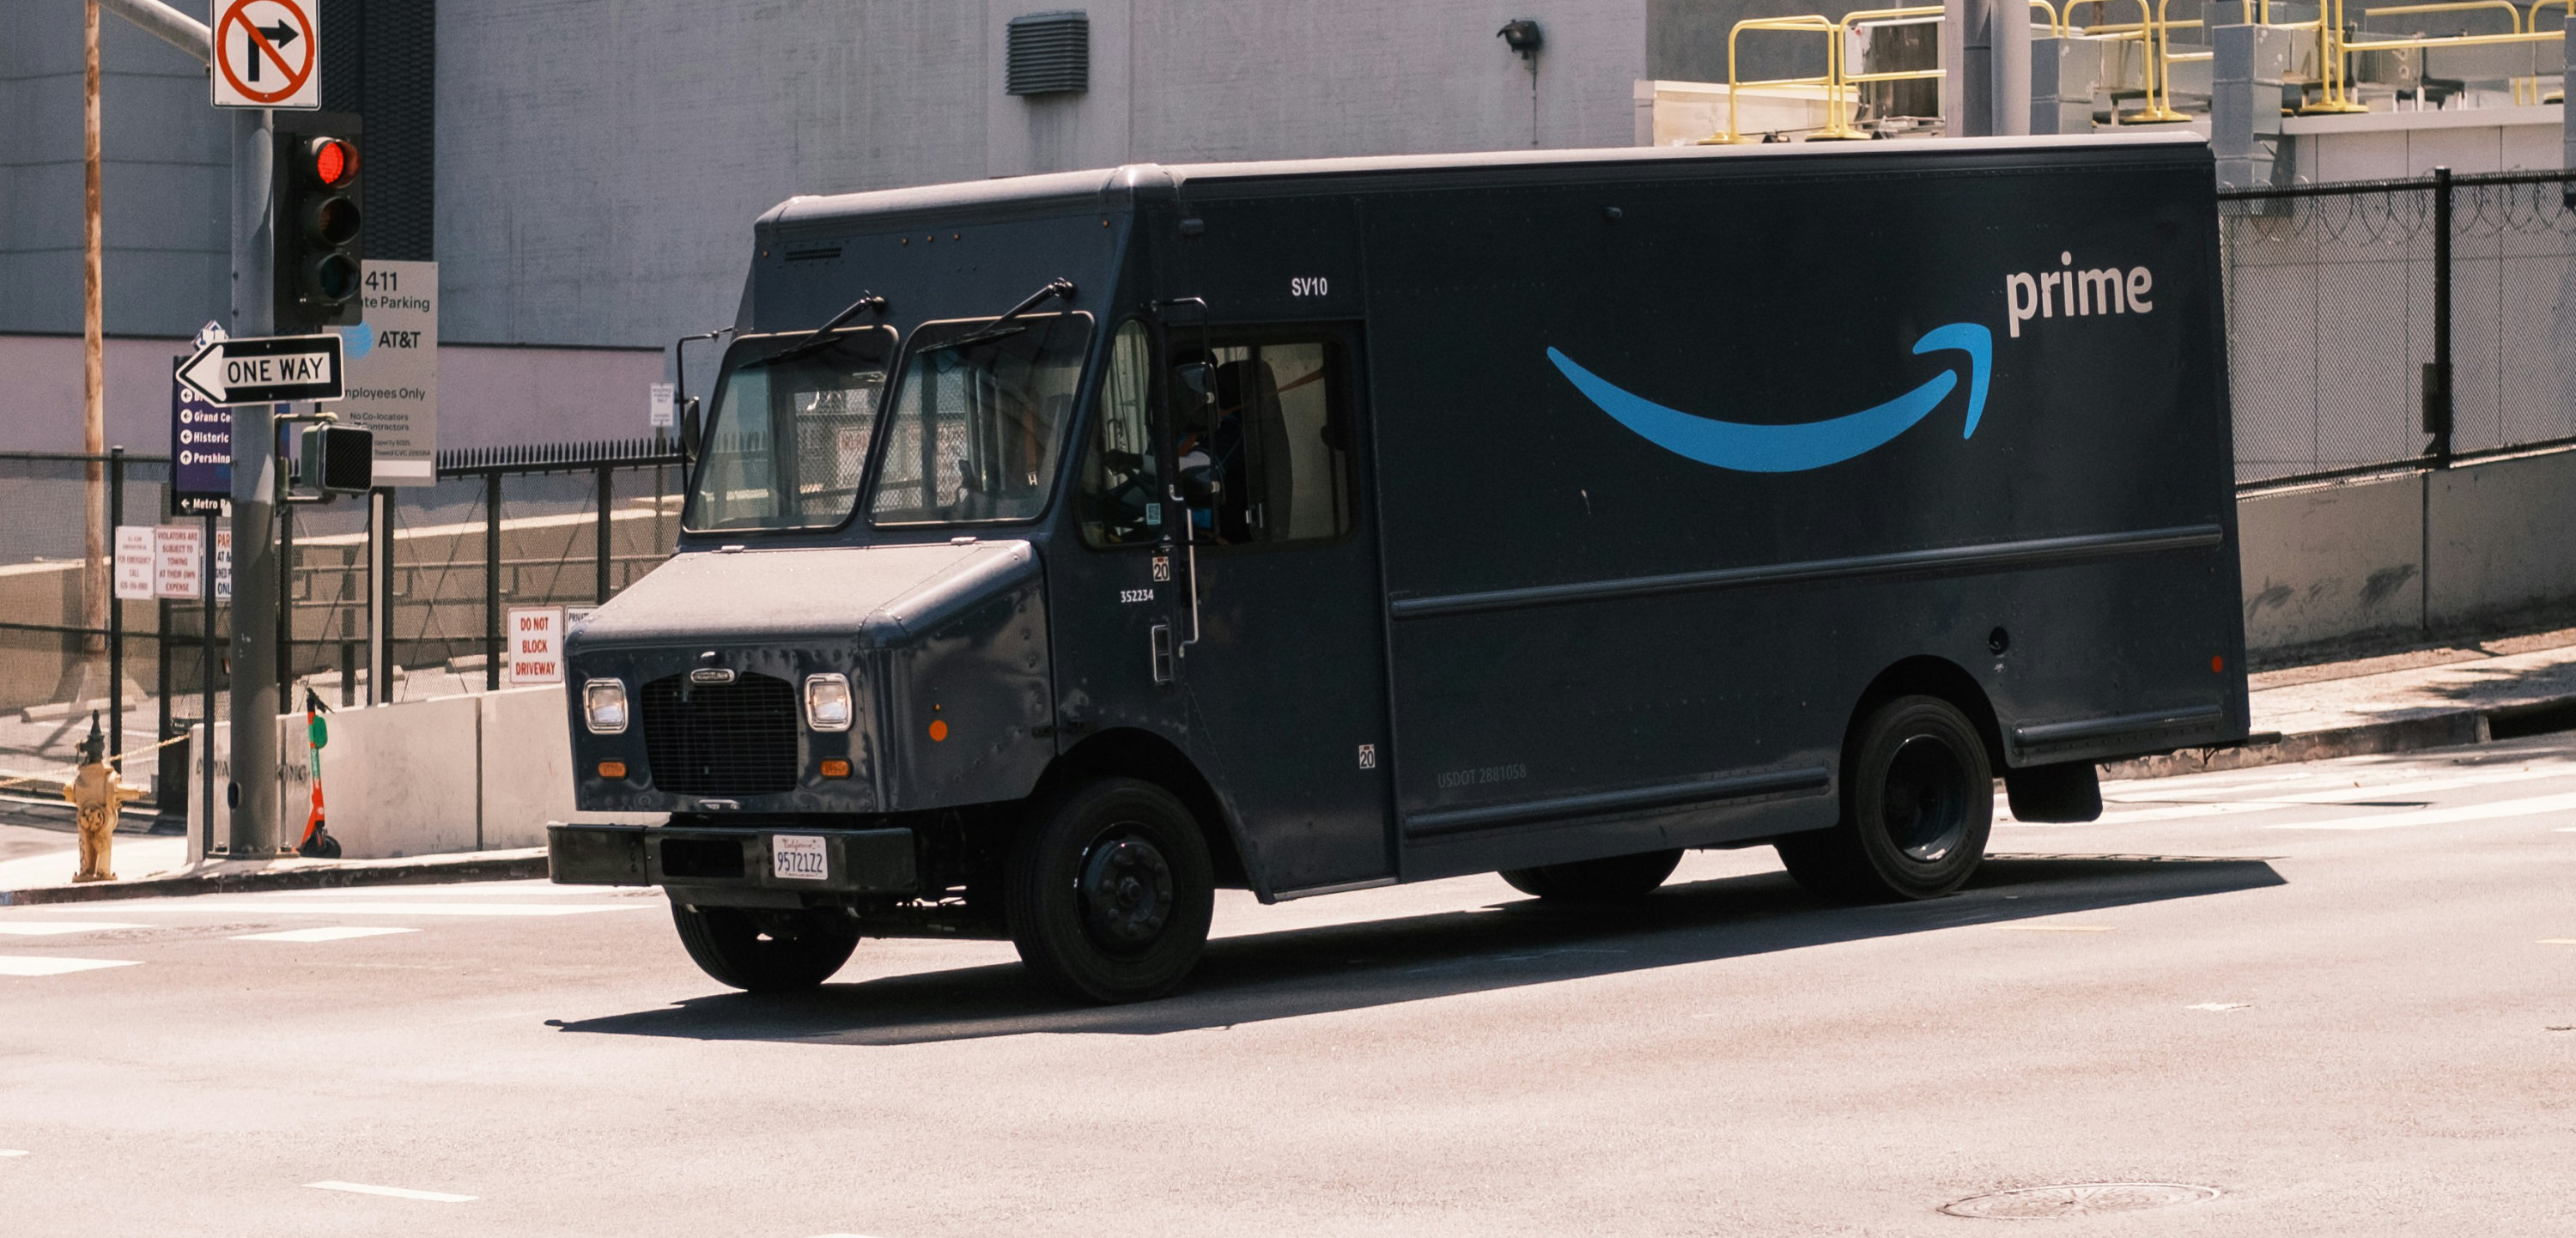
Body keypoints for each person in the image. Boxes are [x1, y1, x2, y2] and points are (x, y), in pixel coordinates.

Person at [63, 713, 143, 883]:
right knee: (96, 836)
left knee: (88, 833)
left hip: (90, 817)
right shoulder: (100, 778)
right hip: (98, 817)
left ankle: (88, 871)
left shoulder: (86, 779)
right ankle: (100, 871)